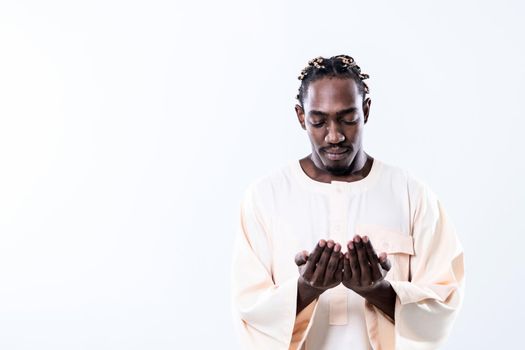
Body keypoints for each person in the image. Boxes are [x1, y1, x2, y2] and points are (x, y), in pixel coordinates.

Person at [231, 55, 464, 350]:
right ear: (301, 117)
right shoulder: (265, 198)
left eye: (348, 118)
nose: (334, 135)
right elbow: (248, 311)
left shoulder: (412, 194)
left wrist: (378, 290)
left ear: (366, 110)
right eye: (318, 121)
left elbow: (445, 303)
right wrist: (306, 289)